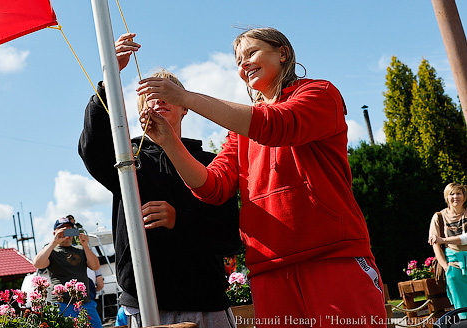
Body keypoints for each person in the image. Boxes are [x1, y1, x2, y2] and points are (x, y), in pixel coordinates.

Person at [136, 27, 385, 327]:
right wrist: (168, 142)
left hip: (332, 257)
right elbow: (211, 187)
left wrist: (185, 97)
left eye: (251, 53)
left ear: (283, 52)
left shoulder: (319, 93)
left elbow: (277, 125)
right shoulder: (240, 130)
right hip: (267, 269)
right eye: (238, 60)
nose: (243, 64)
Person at [80, 33, 241, 328]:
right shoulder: (128, 160)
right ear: (141, 110)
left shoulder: (209, 162)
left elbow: (229, 237)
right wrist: (109, 76)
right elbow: (92, 149)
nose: (159, 100)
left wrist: (178, 219)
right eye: (150, 96)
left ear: (185, 107)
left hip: (206, 300)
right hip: (146, 302)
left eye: (168, 95)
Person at [33, 217, 104, 328]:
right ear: (54, 233)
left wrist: (85, 246)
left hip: (84, 302)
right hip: (62, 303)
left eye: (69, 229)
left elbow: (95, 266)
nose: (66, 233)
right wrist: (54, 242)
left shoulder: (81, 249)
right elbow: (37, 263)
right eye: (62, 229)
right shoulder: (52, 251)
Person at [429, 183, 467, 319]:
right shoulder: (439, 217)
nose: (455, 197)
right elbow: (435, 245)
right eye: (452, 194)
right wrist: (446, 267)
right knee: (462, 307)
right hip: (454, 265)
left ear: (464, 196)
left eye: (459, 193)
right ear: (447, 197)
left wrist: (443, 240)